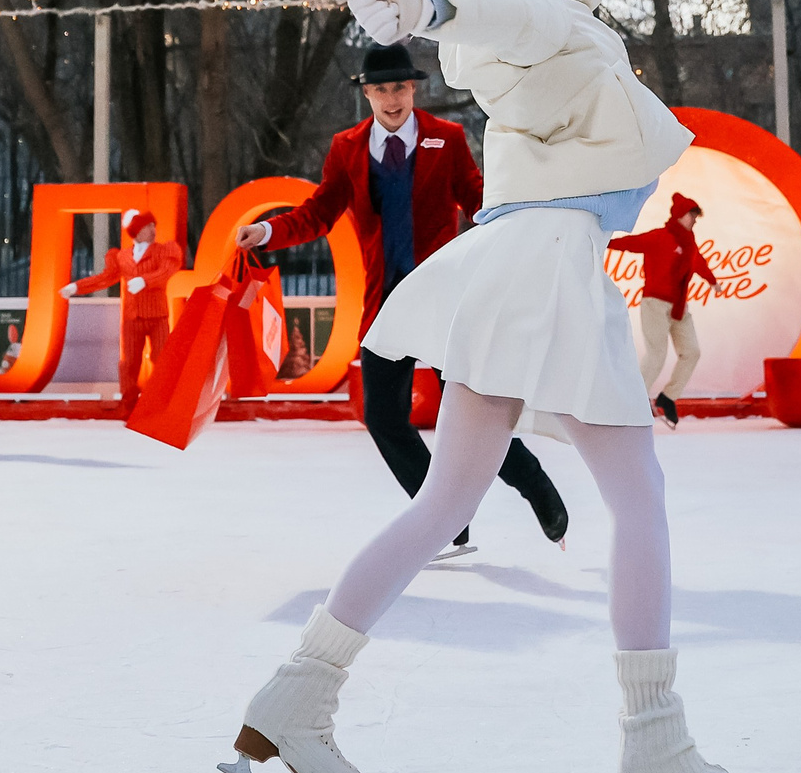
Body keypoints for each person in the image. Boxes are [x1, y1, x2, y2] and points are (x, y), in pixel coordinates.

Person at [219, 0, 734, 773]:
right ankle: (656, 744)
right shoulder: (530, 5)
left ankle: (294, 697)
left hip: (511, 255)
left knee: (446, 501)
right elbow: (491, 7)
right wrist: (425, 3)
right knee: (636, 500)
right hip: (542, 261)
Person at [235, 42, 569, 550]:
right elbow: (318, 213)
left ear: (414, 89)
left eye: (401, 87)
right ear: (366, 93)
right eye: (381, 89)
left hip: (443, 301)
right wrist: (266, 233)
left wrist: (525, 227)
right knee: (383, 416)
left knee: (474, 414)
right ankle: (446, 519)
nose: (392, 98)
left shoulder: (446, 138)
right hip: (384, 306)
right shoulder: (347, 147)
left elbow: (479, 202)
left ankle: (534, 485)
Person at [607, 194, 721, 427]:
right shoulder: (660, 237)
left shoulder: (689, 243)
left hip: (679, 308)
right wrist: (601, 242)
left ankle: (668, 398)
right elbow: (629, 244)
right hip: (655, 304)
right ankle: (631, 402)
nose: (695, 221)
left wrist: (712, 281)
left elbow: (698, 262)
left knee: (692, 352)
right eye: (692, 215)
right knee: (657, 354)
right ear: (681, 214)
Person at [61, 208, 186, 413]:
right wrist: (77, 287)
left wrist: (145, 281)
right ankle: (129, 403)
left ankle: (164, 400)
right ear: (136, 230)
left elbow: (166, 271)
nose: (153, 230)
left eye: (154, 225)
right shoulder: (122, 256)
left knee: (162, 358)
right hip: (132, 318)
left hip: (157, 317)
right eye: (148, 226)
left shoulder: (164, 250)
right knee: (129, 363)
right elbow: (105, 278)